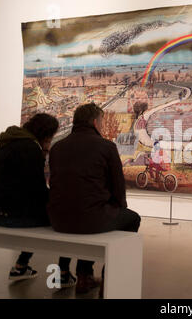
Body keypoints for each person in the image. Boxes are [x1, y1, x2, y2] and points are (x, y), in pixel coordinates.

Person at [47, 103, 141, 296]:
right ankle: (107, 277)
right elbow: (118, 187)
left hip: (58, 218)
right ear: (95, 122)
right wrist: (119, 208)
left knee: (87, 215)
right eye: (102, 121)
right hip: (91, 218)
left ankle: (84, 275)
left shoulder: (57, 147)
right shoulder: (106, 147)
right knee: (132, 218)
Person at [0, 113, 76, 287]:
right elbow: (37, 190)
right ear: (45, 134)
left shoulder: (5, 142)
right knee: (67, 216)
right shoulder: (30, 148)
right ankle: (63, 273)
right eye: (51, 137)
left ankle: (21, 266)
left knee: (41, 212)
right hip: (15, 216)